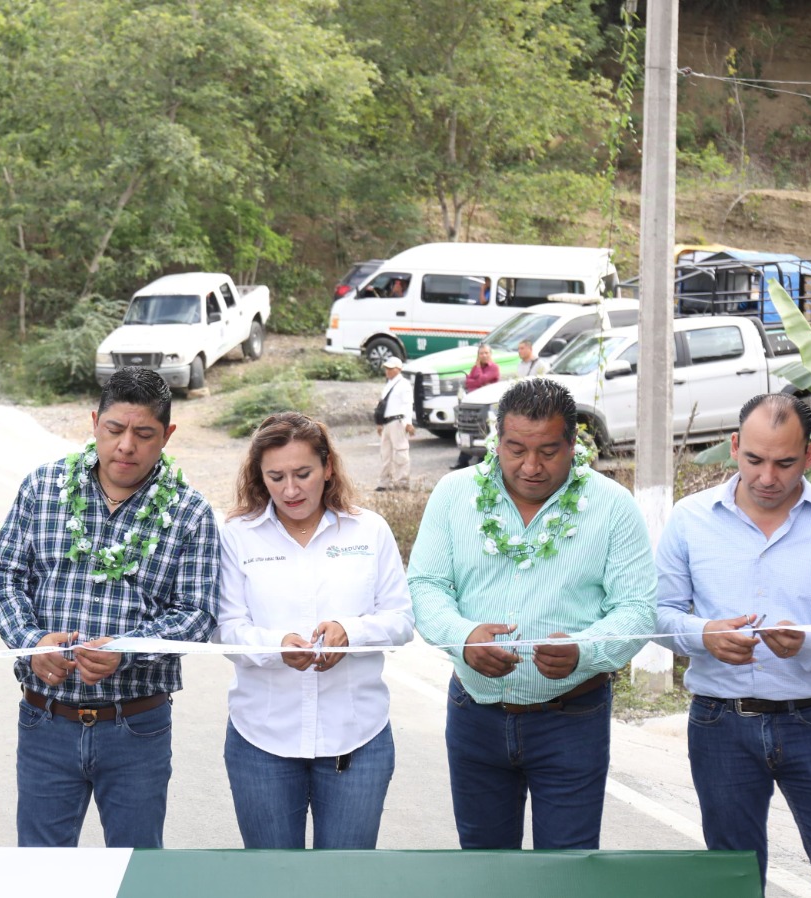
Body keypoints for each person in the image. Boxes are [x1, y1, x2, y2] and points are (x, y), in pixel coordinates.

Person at [406, 378, 656, 850]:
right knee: (485, 865)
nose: (531, 466)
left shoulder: (612, 507)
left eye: (548, 451)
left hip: (572, 718)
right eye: (516, 449)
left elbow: (637, 609)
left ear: (574, 444)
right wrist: (463, 637)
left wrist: (583, 651)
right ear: (496, 441)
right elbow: (426, 585)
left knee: (566, 869)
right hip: (475, 716)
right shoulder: (454, 494)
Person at [0, 366, 219, 848]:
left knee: (136, 868)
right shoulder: (43, 488)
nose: (126, 446)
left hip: (136, 726)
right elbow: (3, 576)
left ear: (167, 435)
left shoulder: (189, 512)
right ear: (95, 423)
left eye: (144, 434)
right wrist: (32, 642)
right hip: (46, 719)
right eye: (114, 430)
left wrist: (126, 650)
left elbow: (197, 613)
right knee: (41, 870)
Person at [655, 394, 811, 897]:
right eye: (755, 459)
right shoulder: (690, 519)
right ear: (735, 446)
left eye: (785, 462)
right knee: (732, 880)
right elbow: (658, 613)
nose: (767, 477)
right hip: (719, 722)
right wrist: (704, 635)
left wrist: (807, 643)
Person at [216, 412, 413, 849]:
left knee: (343, 879)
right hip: (261, 739)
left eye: (303, 474)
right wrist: (276, 646)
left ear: (327, 467)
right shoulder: (237, 536)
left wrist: (350, 632)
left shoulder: (369, 530)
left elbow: (401, 620)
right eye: (276, 477)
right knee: (273, 877)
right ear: (259, 477)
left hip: (356, 738)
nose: (290, 490)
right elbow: (225, 629)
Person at [452, 344, 502, 469]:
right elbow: (468, 382)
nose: (484, 355)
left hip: (486, 405)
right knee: (468, 431)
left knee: (484, 433)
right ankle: (462, 461)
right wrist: (478, 379)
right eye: (481, 353)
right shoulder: (475, 368)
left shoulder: (494, 368)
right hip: (471, 404)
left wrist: (478, 372)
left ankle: (482, 462)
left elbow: (481, 380)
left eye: (486, 353)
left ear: (490, 354)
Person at [375, 357, 414, 492]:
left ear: (398, 369)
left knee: (400, 452)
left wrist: (408, 422)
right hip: (387, 422)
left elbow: (408, 404)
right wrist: (380, 423)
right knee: (385, 453)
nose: (388, 371)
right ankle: (385, 481)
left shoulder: (404, 384)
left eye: (390, 369)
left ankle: (402, 482)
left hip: (397, 421)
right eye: (387, 368)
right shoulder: (389, 384)